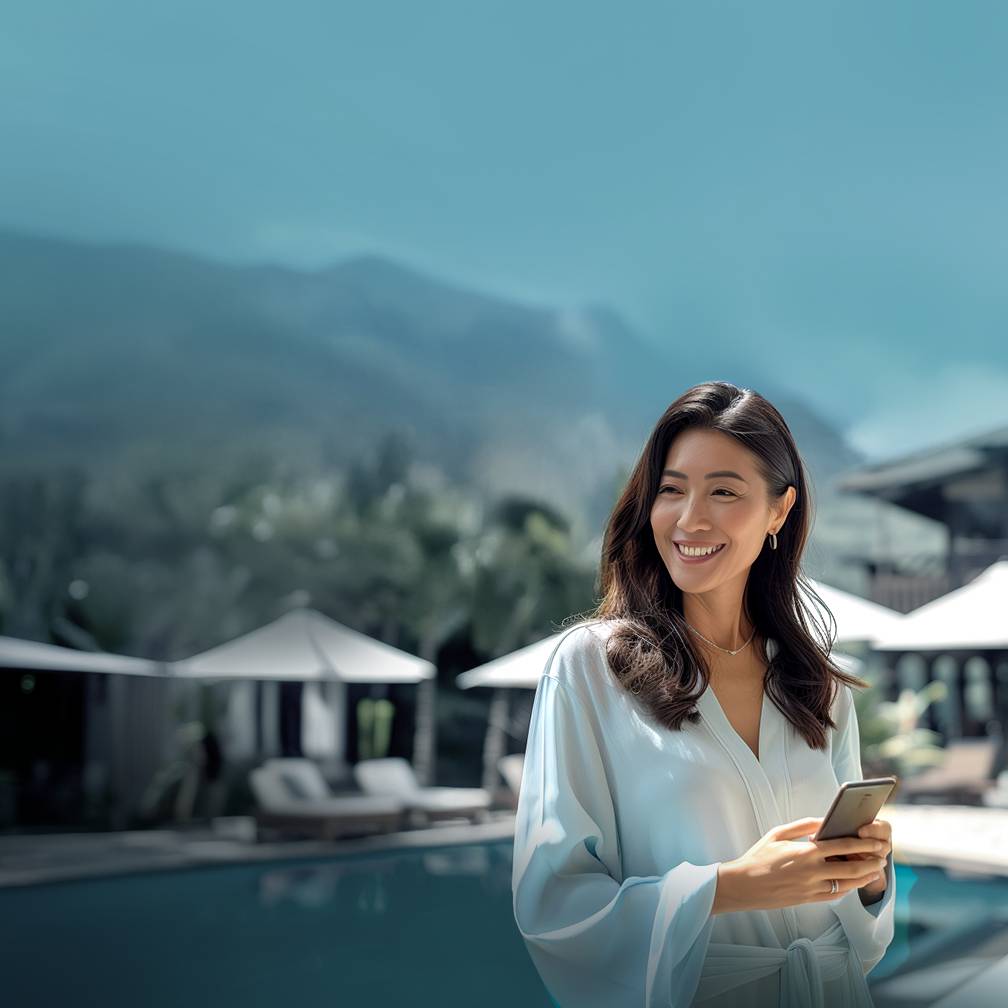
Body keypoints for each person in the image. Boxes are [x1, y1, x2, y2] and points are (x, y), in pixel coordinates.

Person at [512, 381, 894, 1007]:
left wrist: (869, 876)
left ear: (779, 511)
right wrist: (732, 887)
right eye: (671, 489)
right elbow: (552, 904)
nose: (690, 518)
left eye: (723, 490)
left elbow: (864, 937)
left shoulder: (816, 684)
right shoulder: (589, 669)